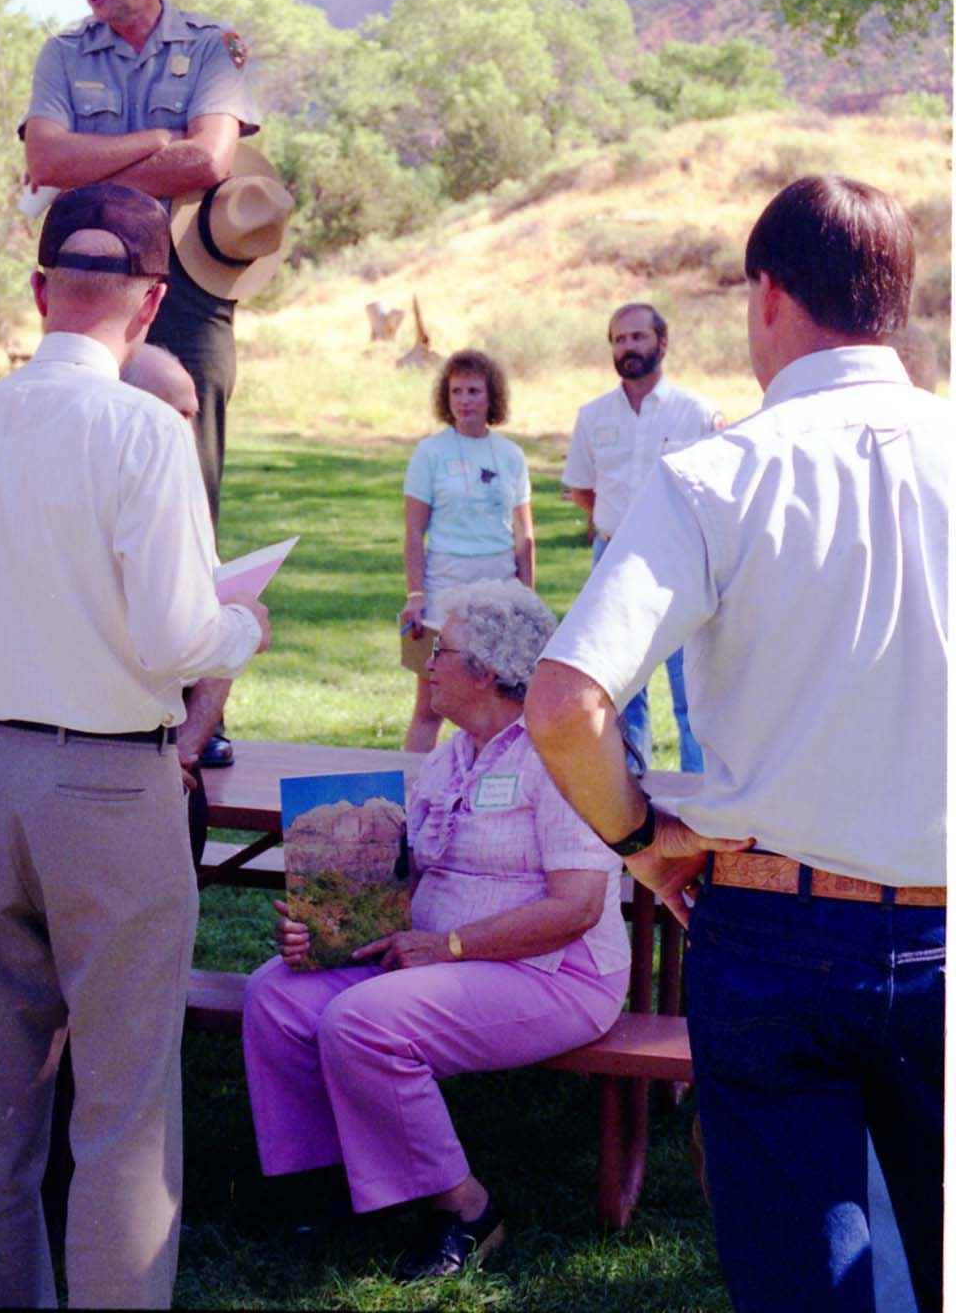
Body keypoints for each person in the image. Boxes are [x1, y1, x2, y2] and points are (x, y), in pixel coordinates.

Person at [524, 176, 946, 1313]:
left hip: (772, 920)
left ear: (766, 297)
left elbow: (564, 704)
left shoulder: (718, 472)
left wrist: (639, 838)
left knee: (804, 1287)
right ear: (895, 303)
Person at [0, 184, 270, 1310]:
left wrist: (26, 652)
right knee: (123, 1111)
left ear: (43, 286)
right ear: (152, 305)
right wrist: (241, 621)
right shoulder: (146, 428)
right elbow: (173, 634)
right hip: (110, 785)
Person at [243, 579, 629, 1282]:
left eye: (439, 651)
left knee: (364, 1022)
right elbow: (407, 881)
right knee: (276, 991)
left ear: (483, 672)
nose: (425, 664)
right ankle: (336, 1185)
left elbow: (577, 909)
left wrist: (447, 946)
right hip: (439, 958)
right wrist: (325, 931)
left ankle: (466, 1209)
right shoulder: (454, 753)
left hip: (555, 975)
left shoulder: (560, 754)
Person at [21, 0, 290, 767]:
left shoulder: (213, 46)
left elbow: (211, 160)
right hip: (91, 294)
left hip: (194, 296)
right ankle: (87, 688)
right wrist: (151, 142)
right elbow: (45, 161)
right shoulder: (63, 53)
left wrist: (105, 163)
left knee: (191, 499)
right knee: (77, 481)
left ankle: (192, 713)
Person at [563, 303, 722, 770]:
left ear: (662, 342)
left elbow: (713, 496)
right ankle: (631, 788)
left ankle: (699, 792)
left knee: (689, 686)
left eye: (638, 337)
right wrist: (619, 529)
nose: (628, 347)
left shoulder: (696, 413)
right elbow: (583, 490)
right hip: (611, 558)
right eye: (619, 339)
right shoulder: (592, 417)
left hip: (677, 564)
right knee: (621, 687)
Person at [399, 350, 534, 751]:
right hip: (444, 588)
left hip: (498, 590)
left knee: (502, 699)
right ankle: (414, 795)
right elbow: (412, 530)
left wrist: (525, 596)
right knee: (431, 705)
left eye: (474, 390)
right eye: (456, 391)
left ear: (492, 397)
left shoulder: (510, 455)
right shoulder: (430, 453)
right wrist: (415, 595)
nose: (465, 400)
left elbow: (524, 534)